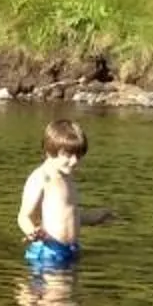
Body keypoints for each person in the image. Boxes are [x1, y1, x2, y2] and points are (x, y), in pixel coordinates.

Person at [16, 116, 101, 272]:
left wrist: (94, 217)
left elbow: (67, 214)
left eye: (79, 155)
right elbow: (23, 216)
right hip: (49, 251)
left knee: (67, 294)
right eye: (68, 155)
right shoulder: (42, 177)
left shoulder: (67, 177)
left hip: (70, 249)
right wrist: (31, 231)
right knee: (55, 295)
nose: (75, 161)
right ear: (50, 151)